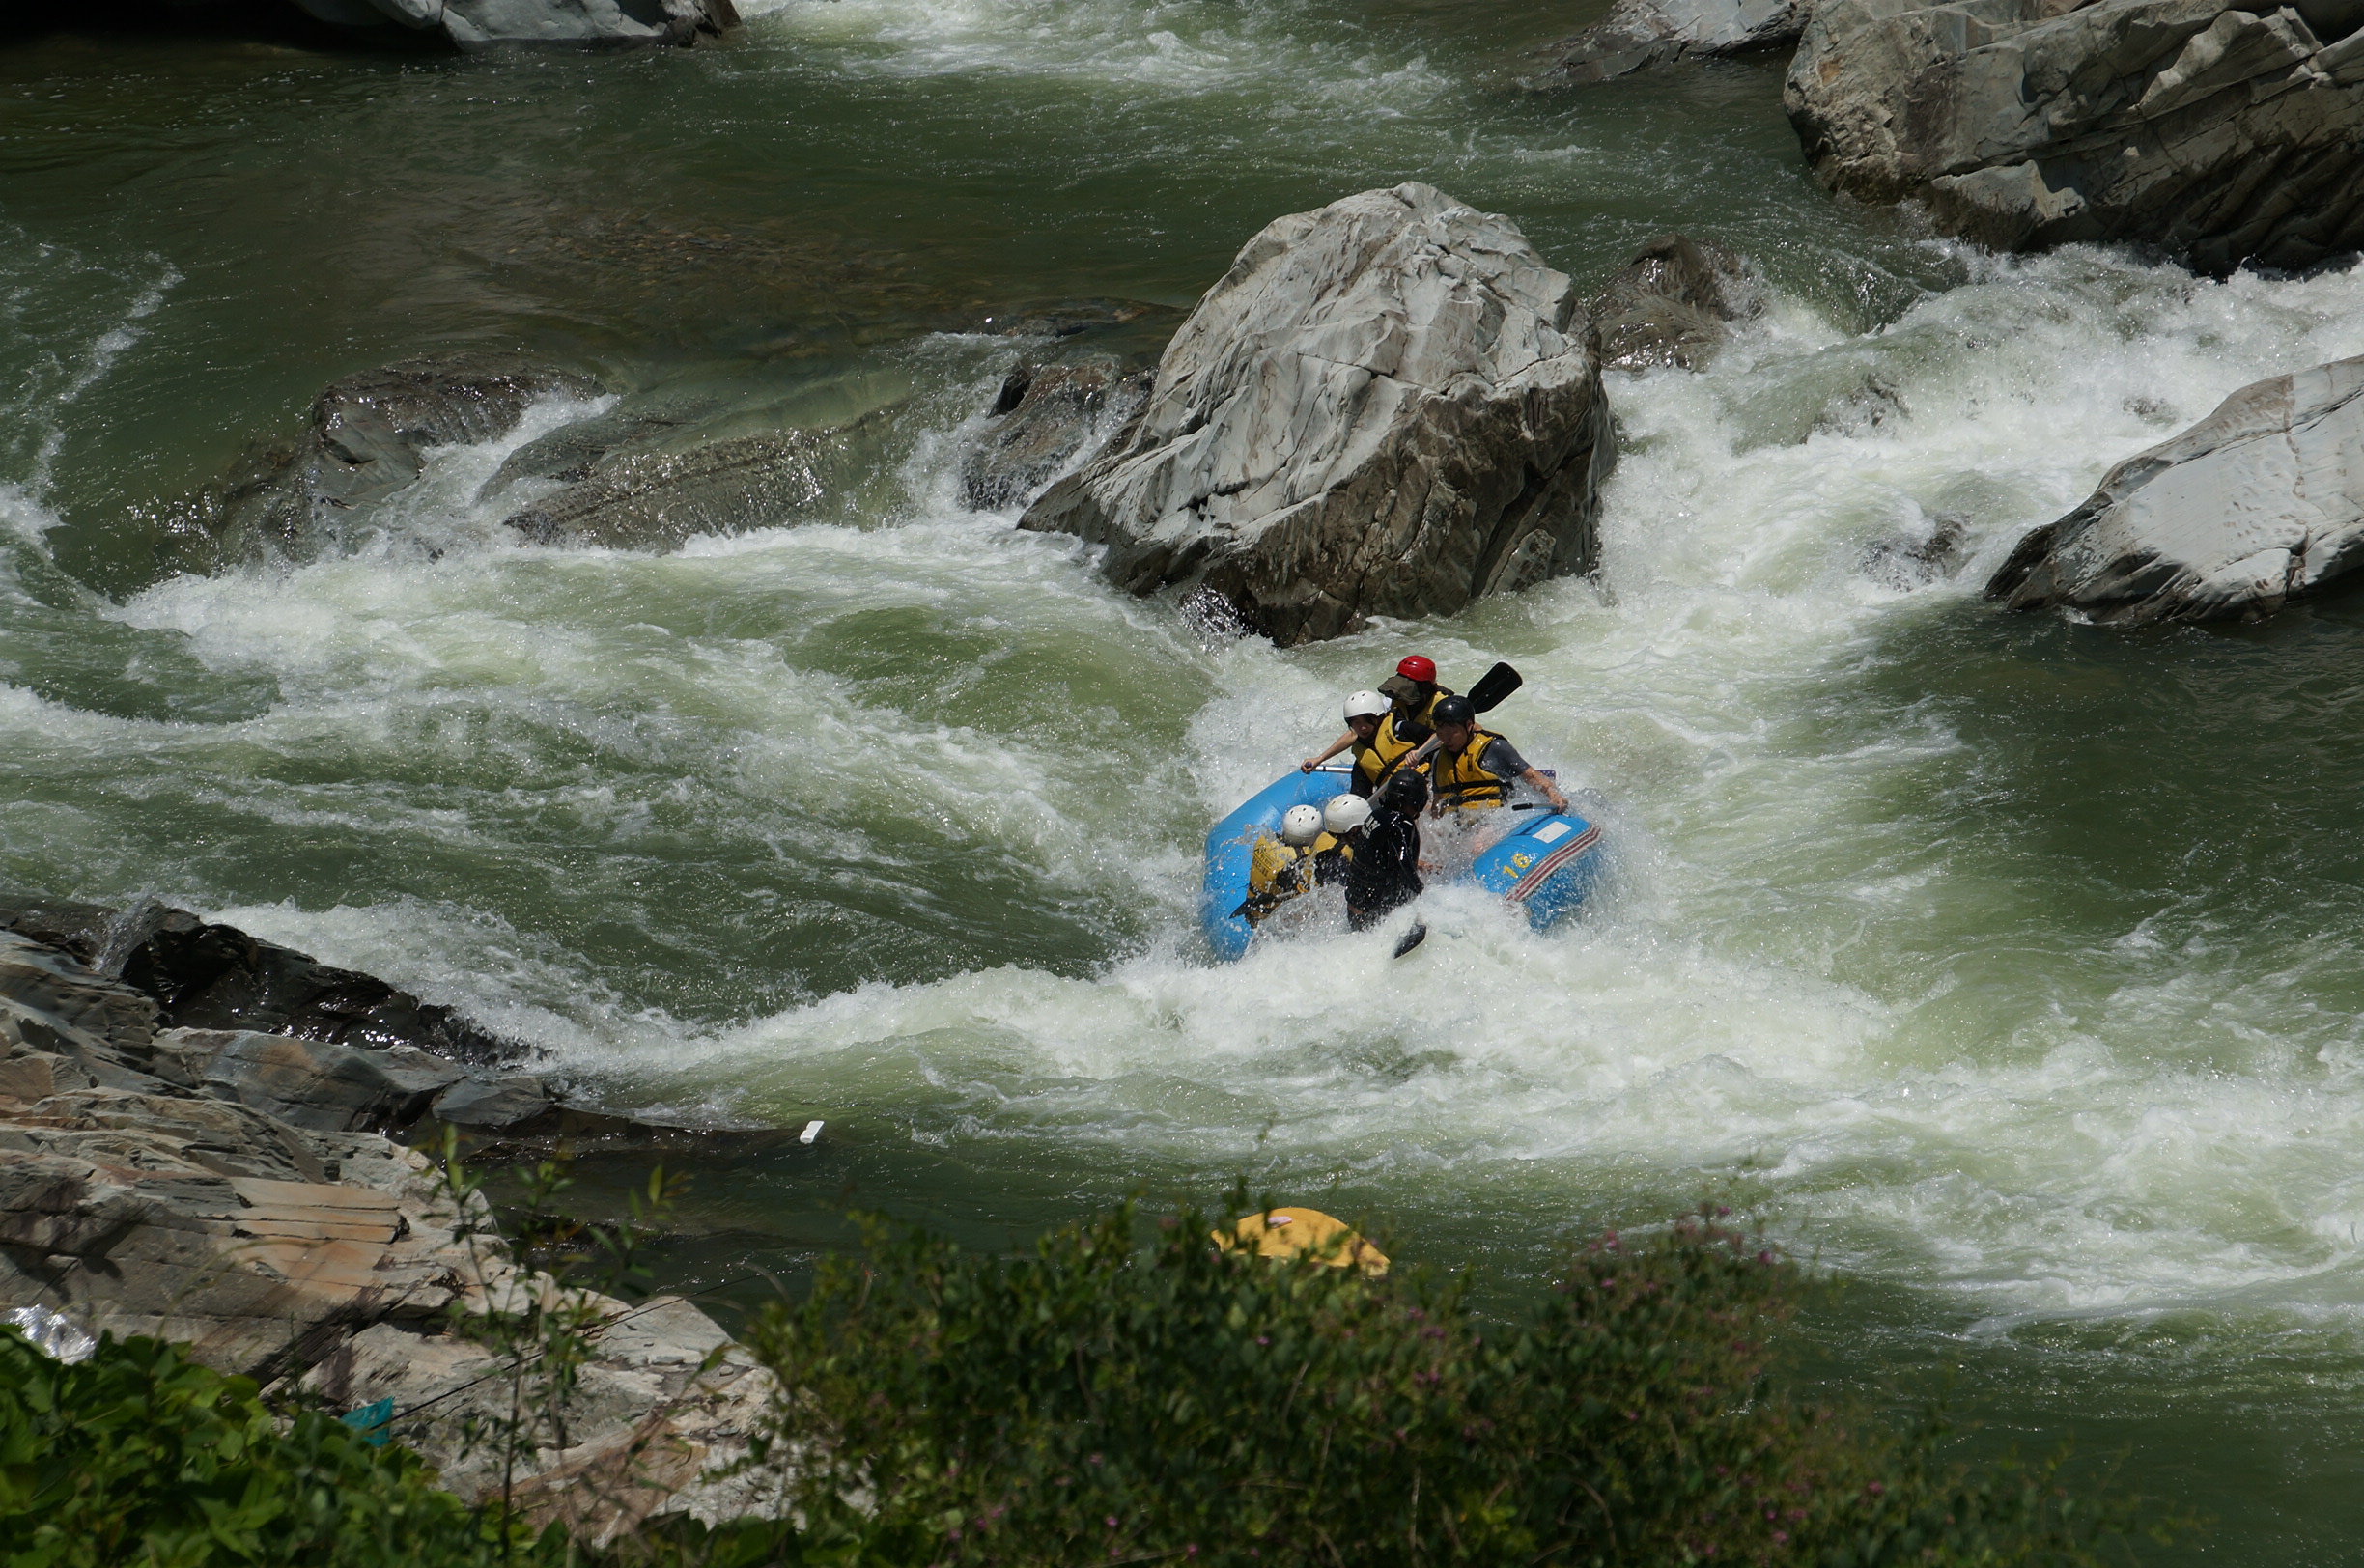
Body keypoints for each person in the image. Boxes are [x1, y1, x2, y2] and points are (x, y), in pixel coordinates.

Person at [1425, 694, 1568, 815]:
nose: (1446, 739)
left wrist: (1552, 794)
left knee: (1477, 846)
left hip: (1492, 819)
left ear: (1469, 726)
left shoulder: (1494, 748)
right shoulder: (1439, 758)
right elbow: (1438, 802)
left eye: (1452, 733)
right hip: (1457, 825)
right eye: (1441, 733)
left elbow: (1531, 776)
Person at [1328, 777, 1424, 932]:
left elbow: (1380, 856)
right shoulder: (1401, 825)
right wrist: (1421, 892)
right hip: (1375, 913)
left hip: (1355, 908)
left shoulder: (1376, 815)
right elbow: (1402, 862)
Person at [1300, 690, 1412, 798]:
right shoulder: (1362, 762)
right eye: (1357, 723)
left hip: (1416, 777)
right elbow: (1353, 735)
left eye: (1367, 721)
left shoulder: (1399, 728)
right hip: (1394, 792)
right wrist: (1320, 758)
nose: (1362, 728)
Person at [1239, 803, 1333, 924]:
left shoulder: (1265, 840)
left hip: (1254, 905)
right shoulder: (1294, 865)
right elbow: (1308, 894)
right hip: (1265, 920)